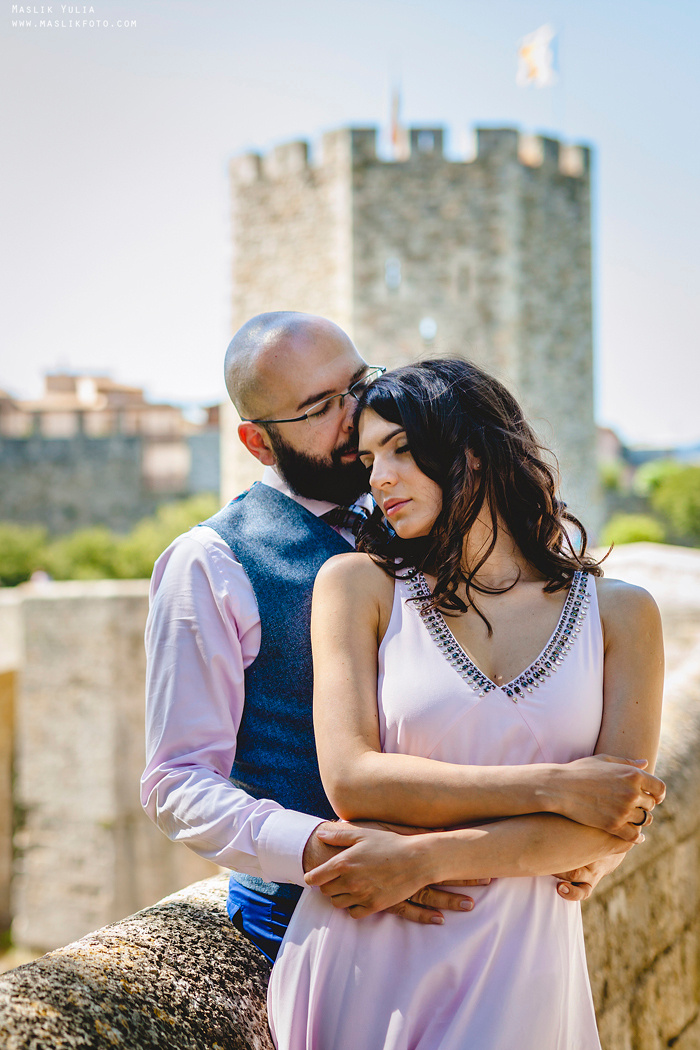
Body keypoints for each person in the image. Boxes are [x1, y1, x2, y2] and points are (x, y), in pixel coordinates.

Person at [141, 313, 662, 976]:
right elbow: (176, 779)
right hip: (315, 923)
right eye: (321, 408)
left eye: (360, 384)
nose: (355, 414)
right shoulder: (209, 562)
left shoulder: (455, 513)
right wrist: (321, 848)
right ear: (258, 443)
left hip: (507, 924)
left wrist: (595, 837)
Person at [268, 359, 665, 1050]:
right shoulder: (359, 587)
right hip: (370, 953)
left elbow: (611, 821)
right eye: (368, 459)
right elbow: (355, 782)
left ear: (473, 452)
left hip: (522, 969)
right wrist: (556, 789)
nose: (378, 478)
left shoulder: (621, 615)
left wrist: (425, 859)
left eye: (399, 448)